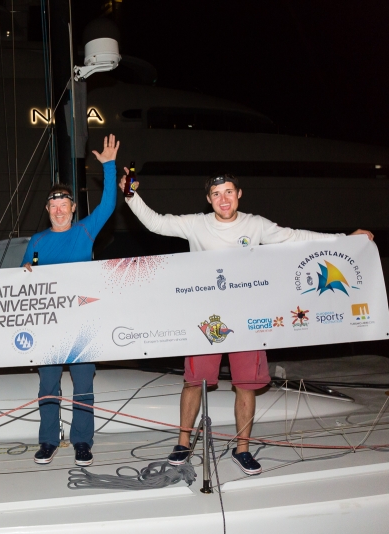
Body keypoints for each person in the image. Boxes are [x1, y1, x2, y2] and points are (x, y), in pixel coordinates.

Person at [120, 171, 374, 475]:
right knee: (194, 381)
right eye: (216, 194)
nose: (223, 199)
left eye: (228, 192)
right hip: (206, 318)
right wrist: (131, 194)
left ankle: (242, 449)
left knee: (246, 385)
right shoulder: (196, 224)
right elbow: (156, 222)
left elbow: (296, 237)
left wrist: (347, 240)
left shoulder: (255, 225)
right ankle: (183, 443)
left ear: (239, 194)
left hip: (248, 317)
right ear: (208, 199)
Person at [22, 134, 120, 467]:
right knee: (48, 386)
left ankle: (81, 441)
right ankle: (48, 440)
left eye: (65, 204)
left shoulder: (85, 232)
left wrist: (108, 166)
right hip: (48, 327)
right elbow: (26, 281)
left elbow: (108, 204)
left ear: (73, 208)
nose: (60, 209)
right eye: (54, 205)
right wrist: (24, 271)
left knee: (83, 386)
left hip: (82, 325)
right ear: (48, 209)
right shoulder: (36, 240)